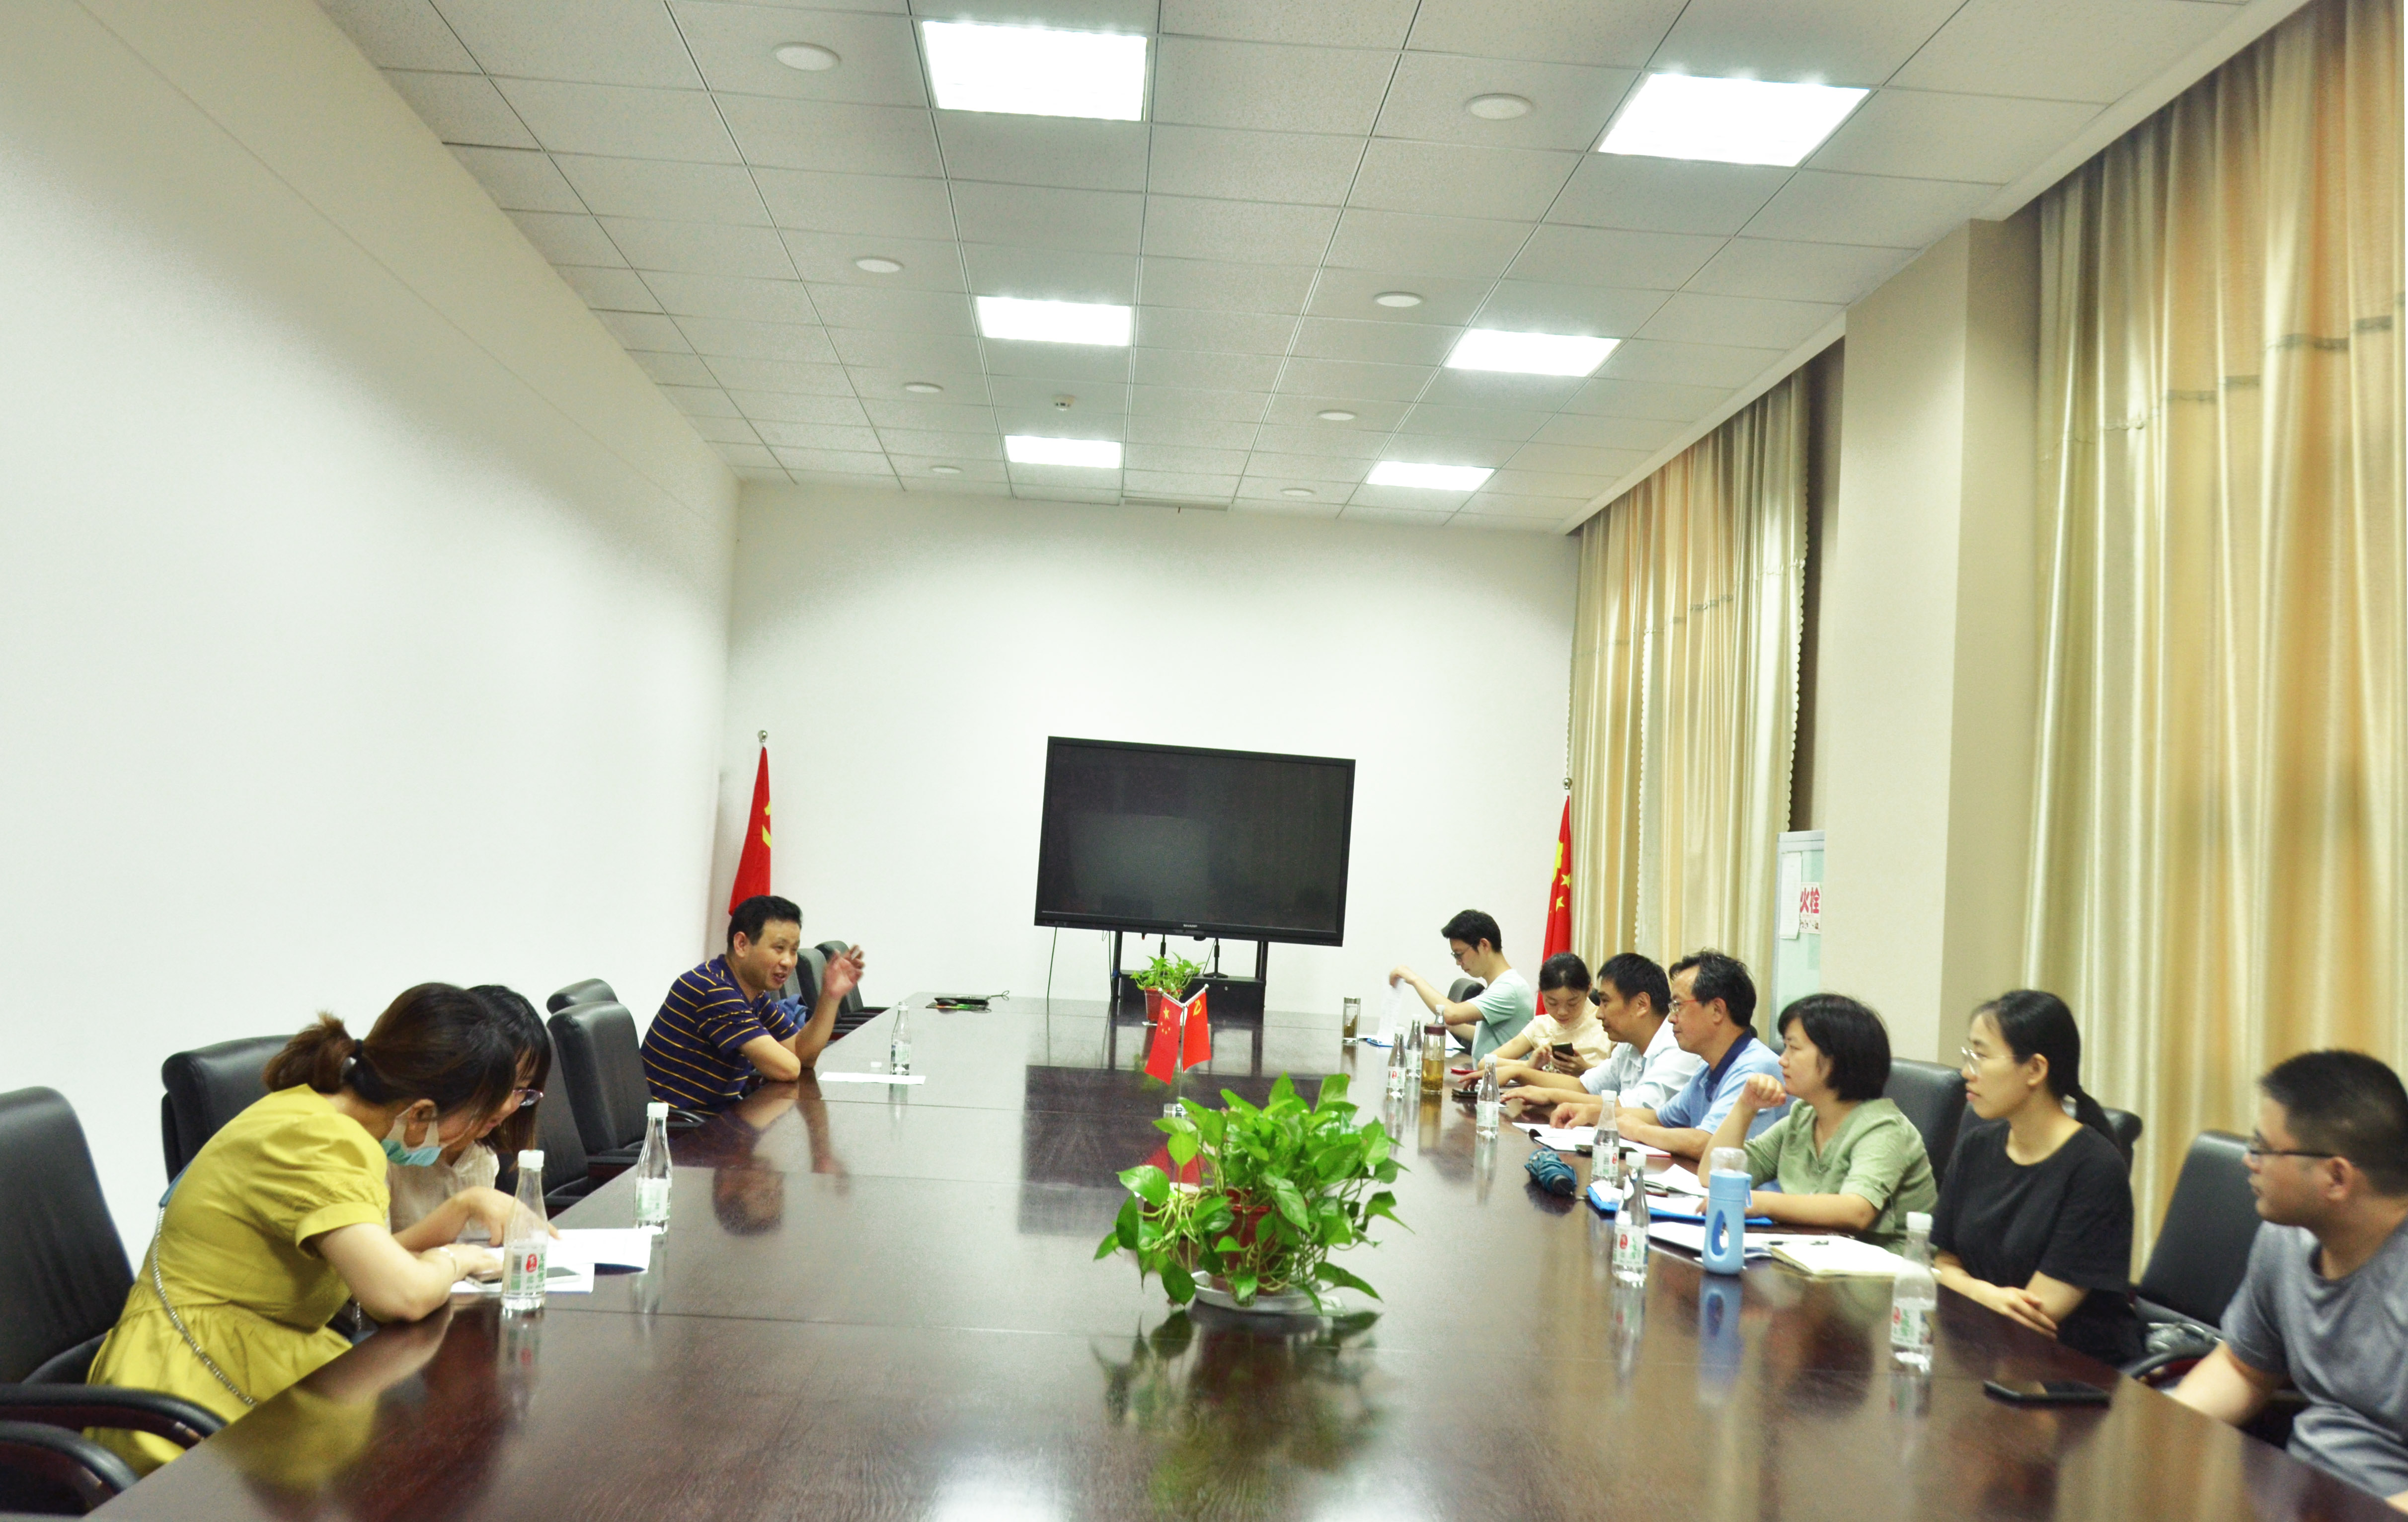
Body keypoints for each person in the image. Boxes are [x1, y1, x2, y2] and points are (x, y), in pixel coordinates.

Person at [85, 985, 538, 1472]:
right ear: (422, 1112)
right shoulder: (323, 1140)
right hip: (184, 1392)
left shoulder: (322, 1117)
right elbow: (400, 1296)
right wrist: (455, 1258)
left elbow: (372, 1270)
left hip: (264, 1353)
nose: (471, 1135)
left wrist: (444, 1240)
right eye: (471, 1120)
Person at [2172, 1050, 2408, 1506]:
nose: (2248, 1160)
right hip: (2299, 1490)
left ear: (2336, 1176)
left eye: (2263, 1148)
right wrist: (2162, 1429)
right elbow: (2243, 1369)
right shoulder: (2285, 1240)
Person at [1930, 990, 2142, 1366]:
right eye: (1968, 1055)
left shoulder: (2095, 1167)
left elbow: (2034, 1314)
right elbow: (1942, 1262)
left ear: (2035, 1069)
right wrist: (1983, 1294)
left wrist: (1968, 1290)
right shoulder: (1976, 1146)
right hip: (1979, 1343)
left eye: (1981, 1056)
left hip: (2066, 1366)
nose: (1967, 1072)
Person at [1706, 993, 1938, 1248]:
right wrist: (1745, 1107)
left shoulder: (1884, 1128)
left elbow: (1856, 1211)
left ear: (1835, 1059)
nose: (1782, 1060)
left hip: (1886, 1267)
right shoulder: (1803, 1117)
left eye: (1794, 1048)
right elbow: (1711, 1175)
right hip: (1813, 1254)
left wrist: (1760, 1202)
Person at [1556, 950, 1785, 1163]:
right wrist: (1594, 1113)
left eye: (1678, 1006)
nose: (1671, 1018)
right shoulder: (1708, 1070)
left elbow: (1709, 1144)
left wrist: (1639, 1131)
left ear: (1717, 1010)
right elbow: (1659, 1118)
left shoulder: (1754, 1067)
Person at [642, 893, 863, 1111]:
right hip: (678, 1127)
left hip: (716, 1116)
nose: (788, 961)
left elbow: (802, 1054)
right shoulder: (711, 990)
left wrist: (831, 996)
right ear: (741, 944)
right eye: (779, 948)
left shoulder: (752, 993)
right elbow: (788, 1069)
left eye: (794, 951)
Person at [387, 985, 550, 1236]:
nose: (506, 1106)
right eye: (498, 1086)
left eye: (520, 1089)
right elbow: (366, 1257)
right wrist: (463, 1208)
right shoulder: (388, 1149)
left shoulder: (482, 1155)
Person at [1504, 952, 1701, 1118]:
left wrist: (1551, 1095)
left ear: (1641, 1004)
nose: (1599, 1014)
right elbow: (1583, 1087)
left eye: (1605, 1002)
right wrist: (1519, 1073)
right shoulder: (1628, 1046)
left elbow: (1634, 1109)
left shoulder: (1679, 1047)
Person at [1388, 909, 1533, 1063]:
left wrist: (1414, 979)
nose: (1458, 962)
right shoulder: (1499, 986)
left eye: (1460, 954)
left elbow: (1451, 1014)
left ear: (1484, 945)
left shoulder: (1510, 989)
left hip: (1502, 1078)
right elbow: (1492, 1038)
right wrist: (1451, 1027)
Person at [1479, 953, 1615, 1086]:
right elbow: (1485, 1063)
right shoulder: (1541, 1025)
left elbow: (1622, 1082)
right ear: (1542, 993)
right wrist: (1528, 1065)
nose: (1562, 1012)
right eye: (1552, 1003)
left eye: (1572, 1003)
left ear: (1589, 990)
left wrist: (1586, 1069)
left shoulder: (1608, 1024)